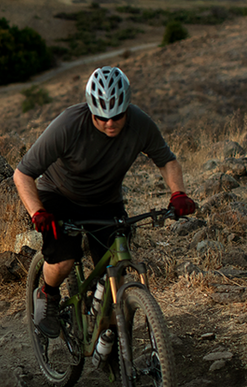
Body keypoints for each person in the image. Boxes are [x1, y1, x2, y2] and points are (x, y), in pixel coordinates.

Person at [13, 66, 196, 338]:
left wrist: (178, 193)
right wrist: (38, 212)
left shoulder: (140, 124)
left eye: (117, 117)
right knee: (64, 260)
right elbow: (23, 173)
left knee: (115, 272)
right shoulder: (68, 125)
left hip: (105, 201)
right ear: (90, 110)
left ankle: (108, 337)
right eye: (101, 118)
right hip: (60, 195)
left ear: (127, 108)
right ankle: (47, 294)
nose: (110, 123)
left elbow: (166, 160)